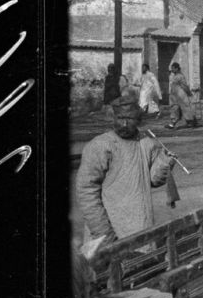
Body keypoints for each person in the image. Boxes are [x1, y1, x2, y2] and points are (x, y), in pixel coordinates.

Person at [76, 97, 178, 254]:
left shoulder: (146, 144)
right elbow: (86, 192)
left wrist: (165, 161)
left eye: (129, 119)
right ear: (113, 118)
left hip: (140, 227)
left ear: (138, 120)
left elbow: (153, 180)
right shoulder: (100, 146)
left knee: (141, 271)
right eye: (120, 118)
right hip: (108, 233)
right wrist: (104, 234)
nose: (124, 124)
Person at [166, 61, 194, 129]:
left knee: (185, 109)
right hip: (175, 96)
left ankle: (190, 123)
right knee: (175, 109)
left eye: (173, 68)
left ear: (177, 68)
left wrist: (189, 93)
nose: (172, 70)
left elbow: (184, 86)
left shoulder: (180, 76)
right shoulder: (174, 76)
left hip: (181, 95)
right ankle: (172, 124)